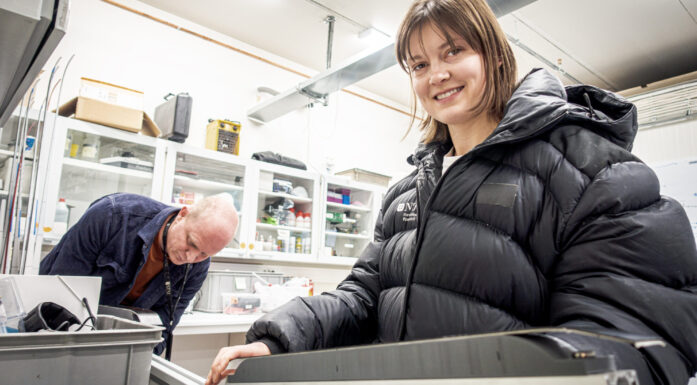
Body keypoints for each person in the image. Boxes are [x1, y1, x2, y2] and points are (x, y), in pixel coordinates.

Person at [206, 0, 697, 384]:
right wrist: (280, 338)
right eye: (418, 65)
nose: (435, 74)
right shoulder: (408, 192)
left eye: (453, 51)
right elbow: (364, 296)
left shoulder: (588, 170)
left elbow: (632, 339)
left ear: (493, 54)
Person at [40, 192, 239, 356]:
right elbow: (60, 296)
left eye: (203, 254)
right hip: (53, 334)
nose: (190, 256)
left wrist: (138, 363)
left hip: (117, 350)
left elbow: (163, 328)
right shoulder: (113, 216)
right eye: (192, 243)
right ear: (183, 214)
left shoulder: (198, 267)